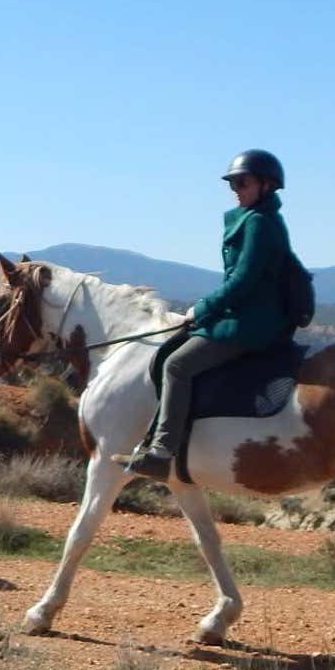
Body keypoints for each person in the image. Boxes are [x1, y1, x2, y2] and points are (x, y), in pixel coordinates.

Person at [119, 150, 293, 480]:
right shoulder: (259, 219)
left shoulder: (258, 223)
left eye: (243, 182)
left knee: (177, 365)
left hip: (253, 322)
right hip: (247, 313)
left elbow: (242, 280)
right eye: (233, 184)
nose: (236, 189)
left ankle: (162, 451)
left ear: (267, 185)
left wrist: (202, 308)